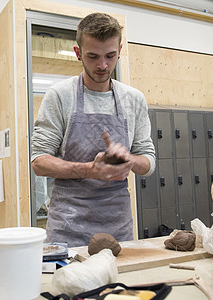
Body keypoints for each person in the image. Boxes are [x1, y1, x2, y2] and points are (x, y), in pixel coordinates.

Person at [31, 12, 156, 247]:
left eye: (110, 56)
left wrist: (130, 160)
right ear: (78, 53)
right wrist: (90, 170)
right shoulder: (60, 95)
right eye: (93, 56)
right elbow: (39, 162)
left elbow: (149, 161)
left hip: (117, 228)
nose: (102, 65)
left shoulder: (134, 100)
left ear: (120, 49)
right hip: (68, 228)